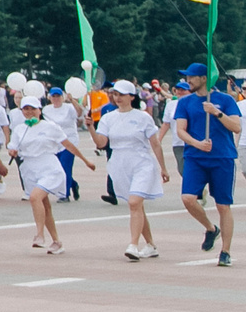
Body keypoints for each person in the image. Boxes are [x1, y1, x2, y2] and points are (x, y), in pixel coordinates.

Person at [169, 62, 242, 266]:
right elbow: (181, 130)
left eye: (191, 77)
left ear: (204, 78)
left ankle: (225, 251)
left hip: (222, 158)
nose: (188, 81)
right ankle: (211, 228)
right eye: (187, 77)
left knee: (223, 205)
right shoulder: (185, 102)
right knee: (188, 198)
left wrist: (217, 113)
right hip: (195, 157)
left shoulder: (225, 100)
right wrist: (197, 144)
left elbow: (236, 127)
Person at [8, 87, 91, 255]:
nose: (29, 112)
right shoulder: (19, 129)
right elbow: (12, 146)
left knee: (35, 197)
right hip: (29, 169)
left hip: (48, 167)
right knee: (44, 206)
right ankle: (56, 241)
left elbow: (68, 145)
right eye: (26, 109)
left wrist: (86, 160)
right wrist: (12, 151)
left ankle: (39, 235)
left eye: (33, 109)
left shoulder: (50, 127)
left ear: (39, 110)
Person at [96, 80, 167, 260]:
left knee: (134, 203)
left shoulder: (143, 117)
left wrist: (163, 168)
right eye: (115, 94)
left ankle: (133, 245)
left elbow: (155, 144)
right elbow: (101, 143)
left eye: (122, 94)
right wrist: (90, 127)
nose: (117, 98)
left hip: (141, 162)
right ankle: (150, 245)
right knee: (137, 206)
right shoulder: (108, 118)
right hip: (119, 163)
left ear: (132, 97)